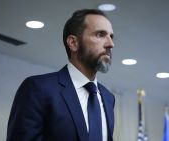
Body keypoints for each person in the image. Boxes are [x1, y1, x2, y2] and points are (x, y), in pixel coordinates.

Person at [7, 9, 115, 141]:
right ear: (73, 43)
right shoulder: (38, 88)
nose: (110, 44)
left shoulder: (108, 98)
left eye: (111, 36)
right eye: (100, 34)